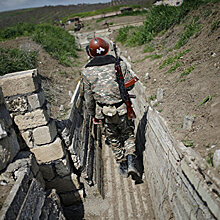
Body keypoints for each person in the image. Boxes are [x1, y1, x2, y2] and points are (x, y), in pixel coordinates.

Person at [82, 37, 139, 179]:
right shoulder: (118, 64)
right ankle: (131, 160)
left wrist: (92, 114)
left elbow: (89, 98)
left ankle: (123, 164)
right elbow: (130, 85)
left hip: (103, 112)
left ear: (91, 53)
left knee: (113, 137)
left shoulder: (86, 72)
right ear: (107, 48)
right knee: (128, 134)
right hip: (122, 108)